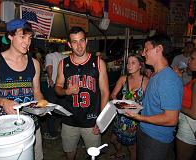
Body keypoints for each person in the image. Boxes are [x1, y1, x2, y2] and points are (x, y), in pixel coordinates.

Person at [0, 19, 45, 160]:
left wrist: (43, 104)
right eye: (22, 36)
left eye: (29, 38)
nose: (27, 42)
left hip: (32, 127)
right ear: (10, 36)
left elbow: (37, 91)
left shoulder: (34, 63)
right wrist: (3, 102)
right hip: (6, 130)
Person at [54, 26, 109, 160]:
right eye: (74, 42)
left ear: (86, 41)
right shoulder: (63, 63)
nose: (79, 46)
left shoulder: (98, 62)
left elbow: (105, 93)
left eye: (81, 41)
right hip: (69, 120)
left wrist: (101, 120)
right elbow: (57, 88)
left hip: (91, 120)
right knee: (69, 152)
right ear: (69, 44)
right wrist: (66, 91)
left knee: (93, 155)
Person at [126, 34, 183, 160]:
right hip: (146, 131)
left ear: (158, 49)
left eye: (146, 49)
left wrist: (140, 117)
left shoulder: (168, 79)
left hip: (156, 138)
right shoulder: (156, 75)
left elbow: (171, 119)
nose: (142, 53)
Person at [110, 54, 149, 160]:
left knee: (132, 147)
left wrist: (138, 107)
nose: (129, 65)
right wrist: (119, 103)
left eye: (133, 63)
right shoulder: (123, 78)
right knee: (114, 139)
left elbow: (150, 103)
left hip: (135, 119)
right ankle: (119, 153)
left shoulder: (145, 81)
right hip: (121, 115)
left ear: (140, 65)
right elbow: (113, 95)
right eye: (128, 63)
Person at [176, 48, 196, 160]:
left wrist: (176, 106)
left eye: (192, 58)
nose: (189, 61)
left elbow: (194, 113)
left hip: (189, 126)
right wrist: (179, 78)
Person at [43, 44, 67, 139]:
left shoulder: (49, 56)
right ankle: (62, 128)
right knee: (62, 109)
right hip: (62, 87)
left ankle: (52, 133)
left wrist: (50, 78)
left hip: (53, 86)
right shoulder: (64, 56)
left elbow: (49, 67)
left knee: (50, 109)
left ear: (50, 49)